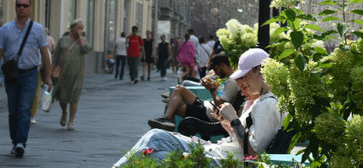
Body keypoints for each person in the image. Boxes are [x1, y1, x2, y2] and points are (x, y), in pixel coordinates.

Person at [113, 48, 281, 167]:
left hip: (220, 160)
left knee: (156, 143)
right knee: (156, 139)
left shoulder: (267, 105)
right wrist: (228, 124)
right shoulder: (261, 102)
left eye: (244, 77)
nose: (242, 83)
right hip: (218, 154)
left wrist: (234, 120)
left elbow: (251, 157)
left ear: (260, 71)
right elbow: (243, 141)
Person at [0, 0, 52, 158]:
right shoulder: (6, 29)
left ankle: (20, 142)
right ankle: (15, 140)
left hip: (30, 73)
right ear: (15, 8)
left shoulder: (37, 29)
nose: (21, 8)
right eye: (19, 5)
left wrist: (48, 76)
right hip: (12, 75)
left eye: (25, 5)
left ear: (30, 8)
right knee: (13, 110)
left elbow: (45, 53)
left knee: (24, 108)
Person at [148, 53, 242, 132]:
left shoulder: (232, 82)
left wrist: (212, 89)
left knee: (171, 107)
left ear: (222, 65)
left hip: (208, 114)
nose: (216, 73)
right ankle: (167, 121)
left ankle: (167, 123)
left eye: (216, 69)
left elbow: (220, 104)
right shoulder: (229, 79)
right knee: (179, 89)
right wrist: (214, 88)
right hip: (207, 106)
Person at [53, 19, 91, 130]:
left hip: (77, 74)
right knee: (62, 97)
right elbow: (56, 56)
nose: (80, 30)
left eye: (81, 28)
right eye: (78, 28)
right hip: (64, 73)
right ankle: (64, 112)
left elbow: (86, 50)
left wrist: (81, 38)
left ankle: (71, 121)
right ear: (72, 28)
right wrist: (51, 70)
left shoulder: (82, 41)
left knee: (74, 97)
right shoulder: (63, 40)